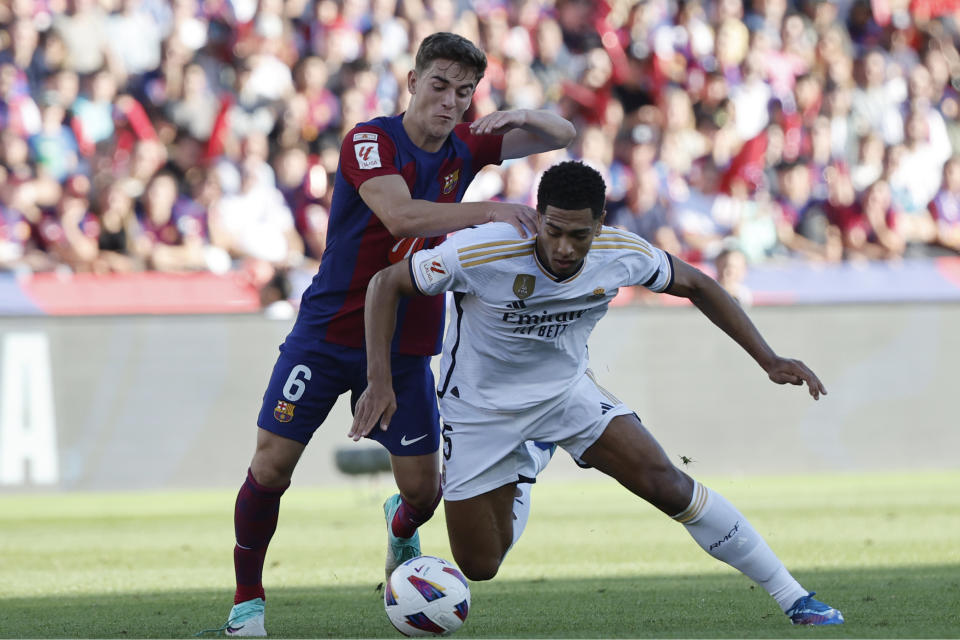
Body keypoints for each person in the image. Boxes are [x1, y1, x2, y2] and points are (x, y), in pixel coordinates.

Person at [352, 160, 844, 627]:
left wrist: (769, 358)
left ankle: (794, 596)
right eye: (554, 231)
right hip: (479, 411)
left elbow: (697, 283)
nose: (565, 247)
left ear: (600, 225)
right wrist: (380, 380)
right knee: (480, 565)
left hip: (567, 396)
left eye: (579, 235)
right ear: (537, 218)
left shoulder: (621, 252)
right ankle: (529, 465)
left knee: (668, 484)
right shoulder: (484, 250)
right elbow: (386, 283)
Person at [223, 32, 575, 637]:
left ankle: (399, 530)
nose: (451, 102)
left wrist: (520, 114)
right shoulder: (370, 140)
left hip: (408, 338)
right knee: (272, 466)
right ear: (413, 82)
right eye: (439, 86)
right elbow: (401, 215)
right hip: (329, 331)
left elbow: (561, 134)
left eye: (464, 93)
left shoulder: (467, 143)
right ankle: (247, 603)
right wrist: (490, 210)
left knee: (424, 491)